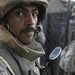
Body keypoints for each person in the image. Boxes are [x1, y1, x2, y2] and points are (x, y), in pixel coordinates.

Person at [0, 0, 49, 75]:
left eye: (34, 14)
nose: (31, 21)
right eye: (20, 13)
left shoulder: (31, 50)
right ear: (4, 20)